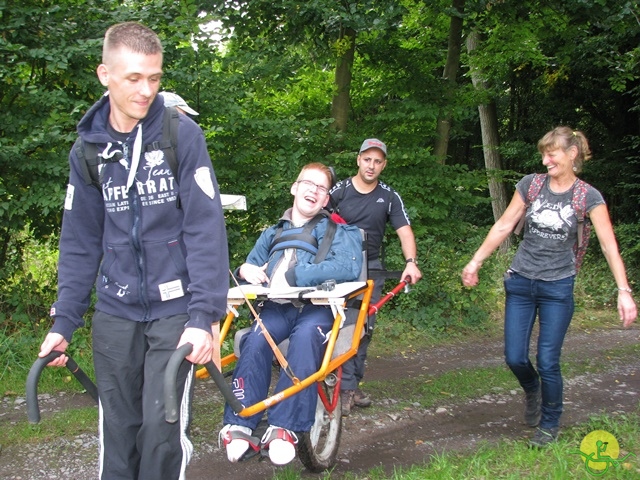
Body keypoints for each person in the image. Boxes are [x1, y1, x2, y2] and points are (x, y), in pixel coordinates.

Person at [38, 22, 229, 479]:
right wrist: (64, 322)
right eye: (134, 78)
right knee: (119, 435)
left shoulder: (181, 135)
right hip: (115, 312)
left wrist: (204, 318)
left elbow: (205, 228)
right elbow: (80, 242)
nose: (146, 91)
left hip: (175, 312)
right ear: (105, 74)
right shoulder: (87, 152)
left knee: (162, 435)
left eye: (155, 78)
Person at [461, 127, 637, 447]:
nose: (545, 160)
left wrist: (624, 291)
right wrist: (475, 262)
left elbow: (609, 246)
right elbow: (503, 224)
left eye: (552, 153)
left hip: (558, 287)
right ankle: (532, 389)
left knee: (547, 360)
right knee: (515, 357)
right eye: (543, 154)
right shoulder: (531, 184)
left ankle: (550, 422)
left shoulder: (588, 196)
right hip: (521, 281)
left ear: (571, 155)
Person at [220, 162, 363, 466]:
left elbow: (347, 267)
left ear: (326, 199)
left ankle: (284, 427)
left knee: (305, 340)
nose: (313, 190)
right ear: (295, 188)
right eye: (307, 183)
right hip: (276, 309)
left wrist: (298, 275)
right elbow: (250, 268)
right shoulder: (272, 233)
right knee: (256, 340)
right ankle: (241, 423)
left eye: (321, 188)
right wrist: (244, 270)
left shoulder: (339, 231)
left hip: (318, 311)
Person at [330, 138, 422, 415]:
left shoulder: (389, 196)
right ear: (358, 160)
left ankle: (350, 386)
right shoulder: (339, 191)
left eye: (377, 161)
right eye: (367, 159)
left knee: (363, 328)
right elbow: (315, 219)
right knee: (338, 326)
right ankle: (338, 385)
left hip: (371, 268)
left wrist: (411, 262)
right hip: (336, 267)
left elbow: (404, 231)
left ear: (384, 165)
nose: (371, 165)